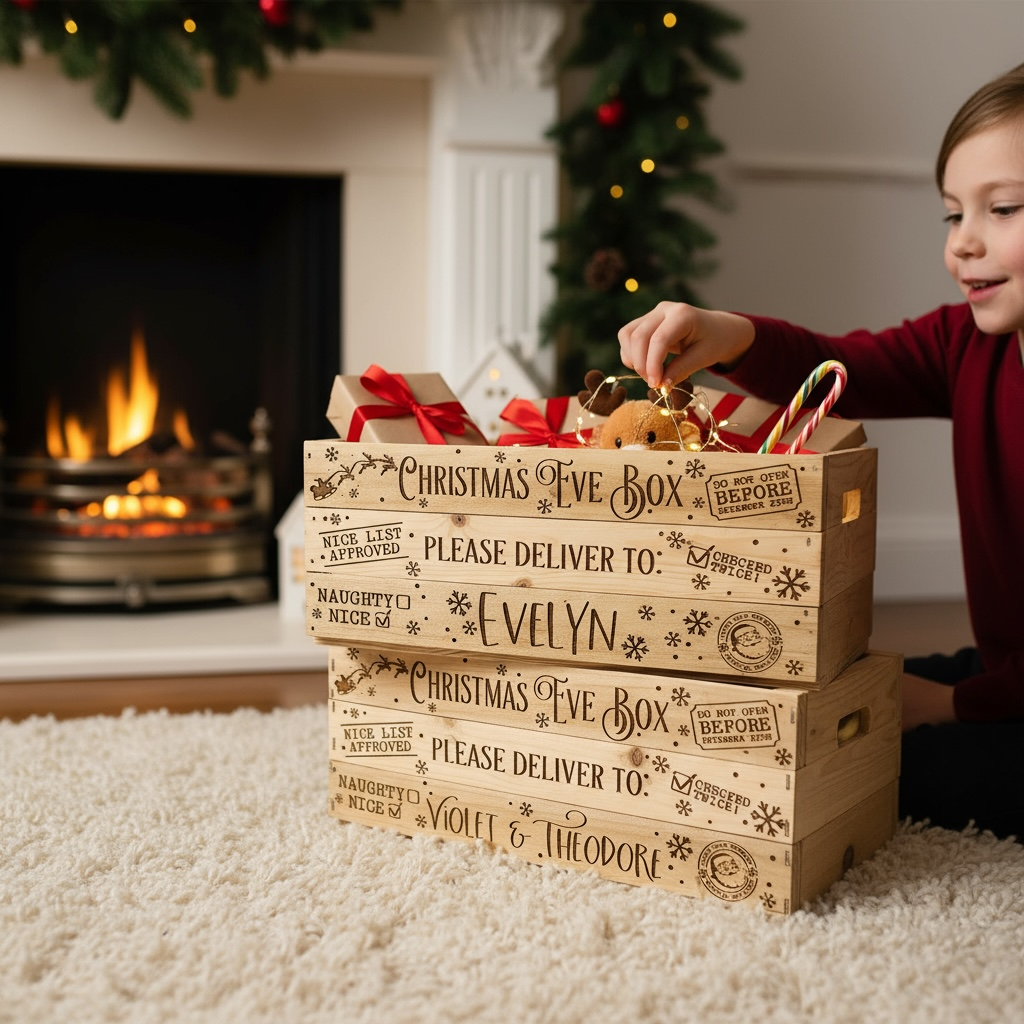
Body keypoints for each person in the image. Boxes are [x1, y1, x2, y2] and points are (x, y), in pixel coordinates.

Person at [617, 63, 1024, 841]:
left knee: (871, 768)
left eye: (1001, 209)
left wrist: (946, 708)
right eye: (950, 215)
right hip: (1011, 674)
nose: (963, 242)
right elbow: (841, 367)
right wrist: (727, 332)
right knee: (829, 701)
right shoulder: (965, 345)